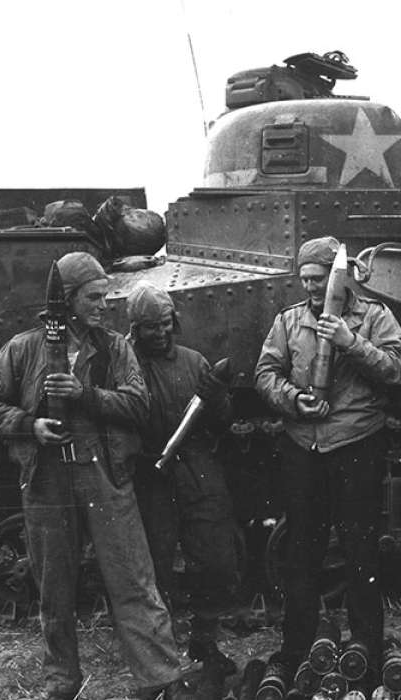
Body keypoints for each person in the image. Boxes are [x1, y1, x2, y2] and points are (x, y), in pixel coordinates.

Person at [0, 252, 193, 700]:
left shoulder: (114, 347)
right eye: (93, 296)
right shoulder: (25, 348)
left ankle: (160, 678)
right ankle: (62, 682)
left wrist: (85, 395)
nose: (103, 304)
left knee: (132, 579)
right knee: (54, 588)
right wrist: (28, 425)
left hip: (104, 477)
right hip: (48, 480)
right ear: (67, 300)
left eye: (105, 295)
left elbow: (139, 405)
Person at [254, 236, 401, 671]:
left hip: (357, 444)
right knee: (302, 551)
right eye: (304, 280)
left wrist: (349, 341)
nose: (311, 289)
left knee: (361, 550)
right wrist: (293, 400)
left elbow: (394, 371)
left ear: (338, 277)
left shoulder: (375, 317)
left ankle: (366, 650)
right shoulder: (289, 321)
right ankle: (299, 649)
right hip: (304, 446)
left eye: (318, 279)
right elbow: (266, 372)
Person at [126, 283, 239, 677]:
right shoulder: (124, 363)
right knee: (155, 565)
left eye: (165, 324)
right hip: (148, 471)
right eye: (150, 327)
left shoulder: (193, 362)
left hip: (195, 466)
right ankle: (163, 656)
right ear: (136, 329)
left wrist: (218, 395)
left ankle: (205, 641)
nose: (160, 333)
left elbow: (224, 420)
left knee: (215, 557)